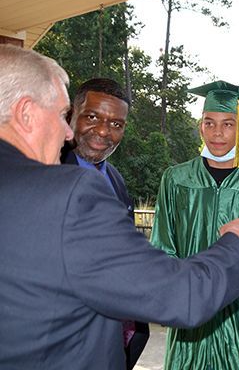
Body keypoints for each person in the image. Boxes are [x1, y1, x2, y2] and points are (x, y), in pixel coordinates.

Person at [0, 44, 239, 370]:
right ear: (25, 113)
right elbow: (177, 294)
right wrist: (235, 244)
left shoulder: (111, 181)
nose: (68, 132)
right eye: (64, 115)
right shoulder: (70, 192)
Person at [150, 80, 239, 370]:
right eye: (210, 123)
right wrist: (182, 286)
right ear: (200, 126)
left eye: (228, 124)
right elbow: (161, 246)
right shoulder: (176, 180)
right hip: (191, 320)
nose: (217, 133)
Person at [61, 78, 149, 369]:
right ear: (71, 114)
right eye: (93, 117)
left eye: (116, 124)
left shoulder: (116, 180)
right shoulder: (44, 171)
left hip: (115, 337)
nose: (103, 131)